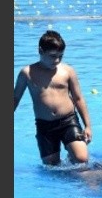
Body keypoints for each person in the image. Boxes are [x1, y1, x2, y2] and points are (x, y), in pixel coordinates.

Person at [14, 30, 92, 166]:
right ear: (40, 51)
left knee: (81, 159)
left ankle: (72, 150)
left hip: (68, 120)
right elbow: (15, 98)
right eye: (52, 56)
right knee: (51, 167)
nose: (56, 60)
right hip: (45, 125)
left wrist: (88, 126)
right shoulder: (27, 73)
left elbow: (78, 98)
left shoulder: (67, 71)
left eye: (60, 56)